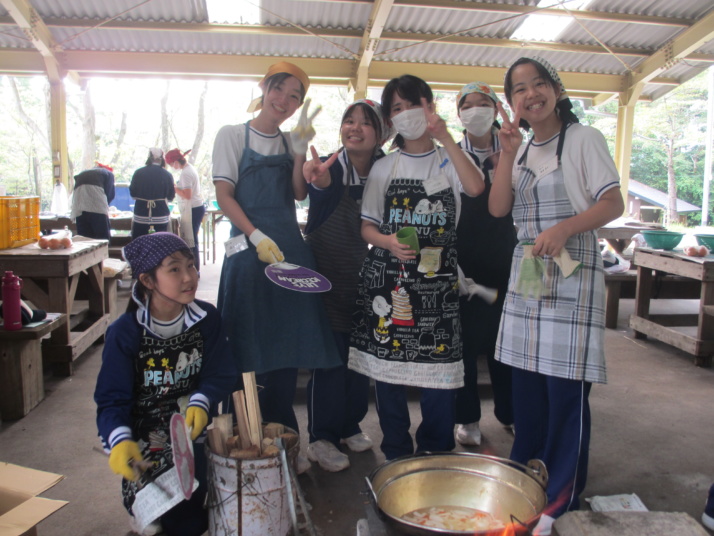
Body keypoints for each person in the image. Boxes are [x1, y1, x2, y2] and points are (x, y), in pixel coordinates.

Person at [489, 56, 624, 534]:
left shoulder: (584, 140)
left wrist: (566, 227)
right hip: (528, 278)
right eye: (519, 90)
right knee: (527, 392)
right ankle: (526, 481)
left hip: (571, 276)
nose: (530, 94)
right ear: (512, 104)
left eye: (538, 84)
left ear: (557, 90)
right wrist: (506, 153)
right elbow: (499, 207)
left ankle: (562, 496)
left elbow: (613, 201)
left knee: (564, 392)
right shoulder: (520, 150)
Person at [212, 62, 341, 473]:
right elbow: (223, 195)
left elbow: (299, 194)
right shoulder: (232, 135)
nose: (284, 102)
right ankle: (245, 445)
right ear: (264, 87)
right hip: (249, 254)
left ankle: (285, 446)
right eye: (279, 90)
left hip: (287, 254)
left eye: (294, 97)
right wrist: (254, 236)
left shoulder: (288, 142)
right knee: (247, 345)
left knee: (287, 350)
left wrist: (301, 148)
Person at [349, 74, 485, 461]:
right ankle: (395, 449)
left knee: (440, 375)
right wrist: (389, 242)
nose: (406, 113)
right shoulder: (384, 167)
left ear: (430, 106)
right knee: (389, 373)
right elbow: (367, 227)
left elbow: (475, 188)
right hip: (389, 283)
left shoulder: (450, 157)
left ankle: (435, 448)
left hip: (439, 287)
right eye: (396, 108)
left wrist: (445, 137)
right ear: (389, 121)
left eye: (413, 104)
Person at [94, 232, 237, 536]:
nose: (189, 277)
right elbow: (111, 400)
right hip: (145, 444)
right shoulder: (125, 333)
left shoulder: (207, 319)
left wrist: (202, 399)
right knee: (159, 521)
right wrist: (119, 441)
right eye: (174, 269)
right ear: (147, 281)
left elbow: (221, 372)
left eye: (191, 265)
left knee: (193, 516)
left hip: (190, 434)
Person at [302, 99, 390, 471]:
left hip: (366, 279)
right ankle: (320, 437)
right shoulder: (330, 166)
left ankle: (349, 424)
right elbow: (318, 185)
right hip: (325, 278)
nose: (354, 127)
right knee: (330, 360)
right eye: (348, 121)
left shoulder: (388, 169)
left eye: (365, 123)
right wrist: (318, 180)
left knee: (359, 359)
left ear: (381, 132)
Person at [453, 82, 516, 447]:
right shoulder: (448, 153)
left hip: (504, 258)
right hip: (462, 265)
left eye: (483, 104)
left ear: (495, 109)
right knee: (463, 345)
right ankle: (467, 418)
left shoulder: (512, 148)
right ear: (458, 112)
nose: (475, 110)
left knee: (504, 343)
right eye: (467, 105)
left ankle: (510, 413)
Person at [166, 148, 205, 273]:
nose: (172, 167)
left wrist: (174, 187)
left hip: (193, 208)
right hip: (195, 207)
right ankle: (194, 268)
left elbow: (187, 195)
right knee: (191, 239)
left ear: (176, 161)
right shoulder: (189, 169)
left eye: (172, 164)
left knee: (191, 240)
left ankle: (194, 269)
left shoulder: (186, 173)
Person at [130, 148, 176, 238]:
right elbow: (171, 197)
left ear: (149, 158)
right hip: (160, 214)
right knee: (161, 243)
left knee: (140, 241)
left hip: (141, 213)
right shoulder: (167, 175)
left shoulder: (138, 173)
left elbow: (133, 194)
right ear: (162, 159)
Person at [70, 162, 115, 239]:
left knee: (84, 238)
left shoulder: (83, 173)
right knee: (102, 239)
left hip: (79, 207)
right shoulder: (108, 173)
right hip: (97, 207)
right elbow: (110, 193)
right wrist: (107, 207)